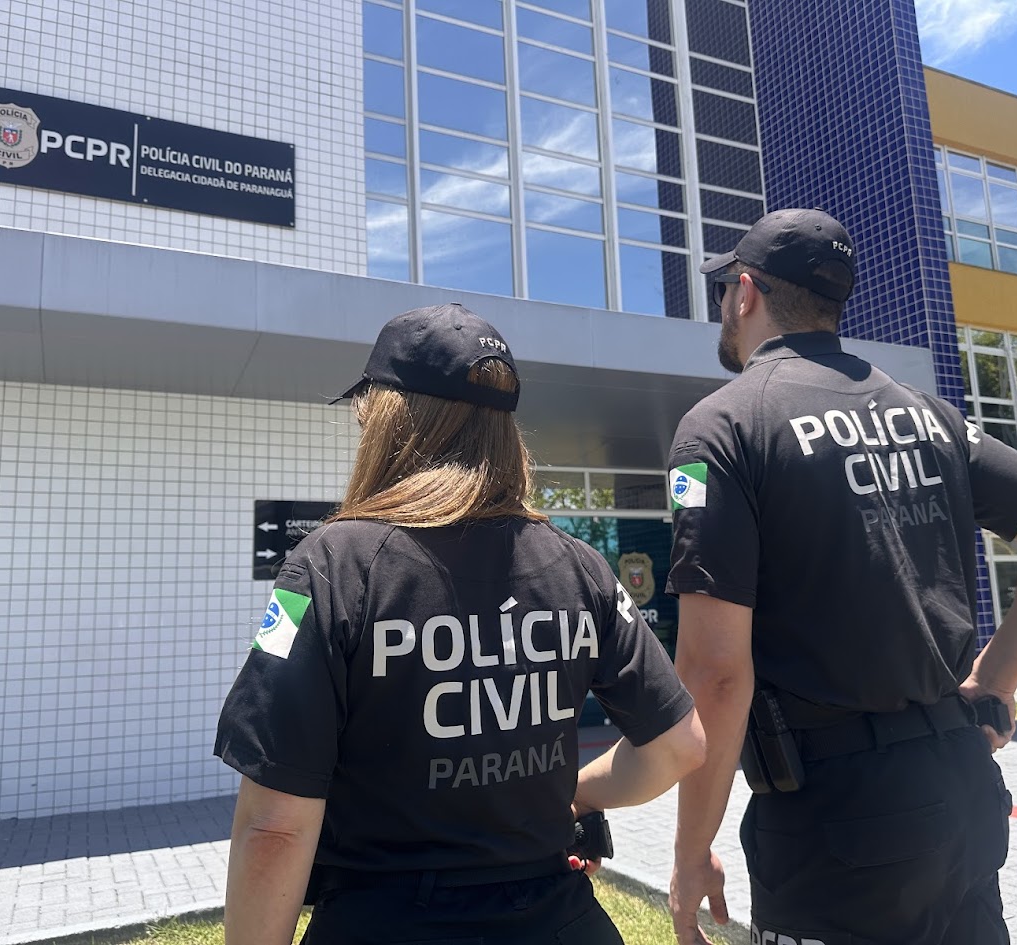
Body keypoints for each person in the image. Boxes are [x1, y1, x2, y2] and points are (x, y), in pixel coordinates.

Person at [663, 209, 1017, 945]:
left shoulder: (719, 429)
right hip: (962, 792)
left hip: (838, 824)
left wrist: (691, 853)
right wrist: (995, 680)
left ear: (746, 293)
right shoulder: (930, 416)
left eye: (725, 289)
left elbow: (715, 674)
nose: (723, 304)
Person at [215, 302, 705, 945]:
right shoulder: (580, 566)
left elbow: (275, 827)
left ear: (384, 416)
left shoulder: (333, 566)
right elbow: (679, 745)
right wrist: (577, 795)